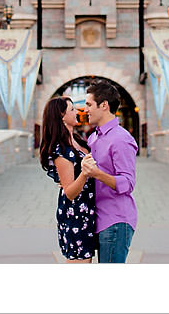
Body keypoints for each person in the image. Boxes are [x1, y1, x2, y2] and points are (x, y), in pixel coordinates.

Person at [82, 81, 138, 263]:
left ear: (104, 105)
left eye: (89, 104)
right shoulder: (93, 137)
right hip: (98, 218)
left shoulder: (121, 139)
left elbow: (128, 183)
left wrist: (97, 173)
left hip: (115, 220)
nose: (85, 109)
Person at [40, 95, 97, 263]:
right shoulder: (61, 148)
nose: (77, 112)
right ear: (61, 115)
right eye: (72, 109)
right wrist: (85, 173)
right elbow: (70, 192)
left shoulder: (77, 141)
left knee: (86, 262)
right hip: (76, 214)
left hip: (87, 211)